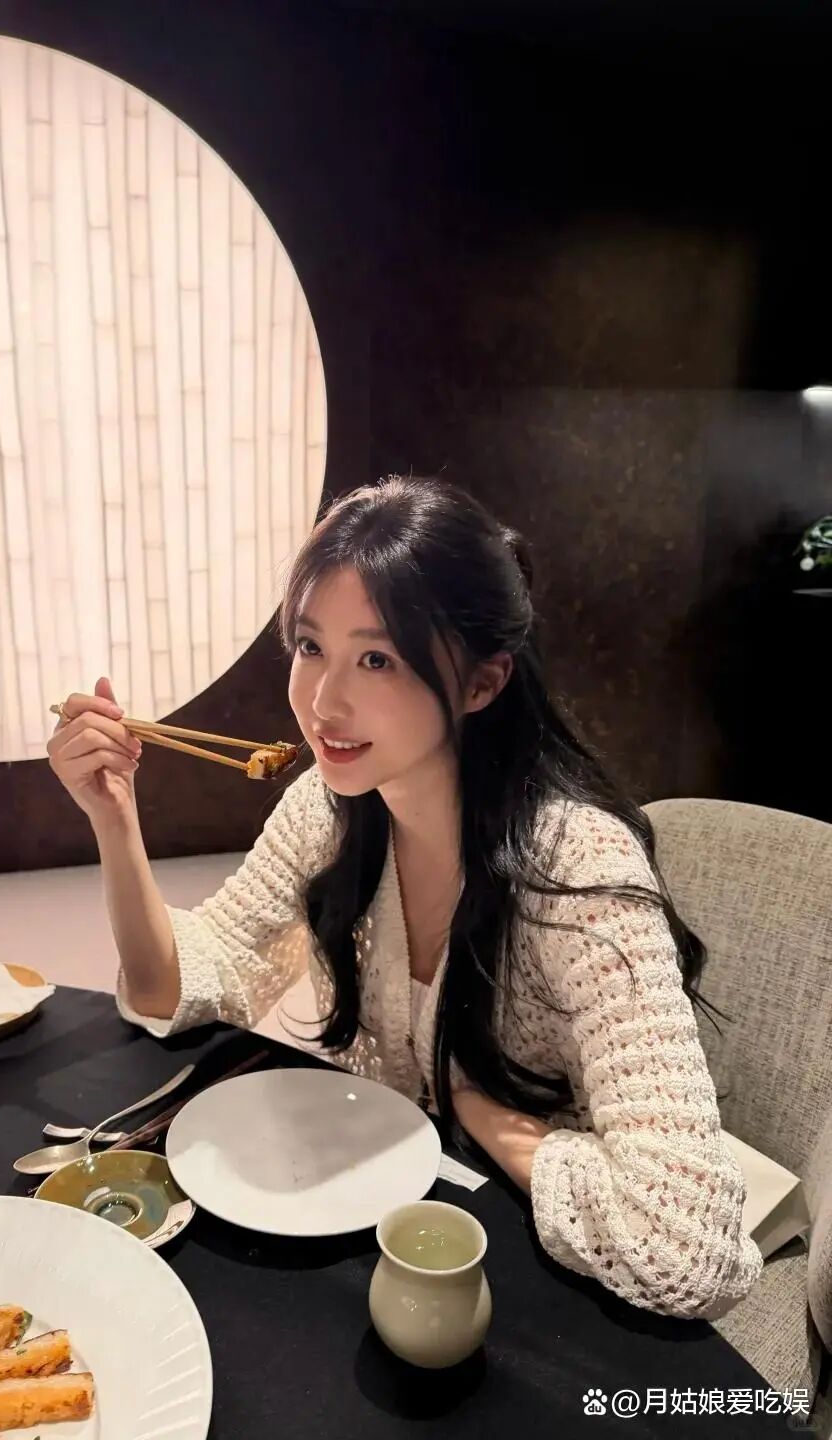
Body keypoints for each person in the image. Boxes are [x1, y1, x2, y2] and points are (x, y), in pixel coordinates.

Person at [47, 474, 761, 1320]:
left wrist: (472, 1105)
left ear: (481, 683)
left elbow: (687, 1251)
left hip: (540, 1276)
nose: (323, 702)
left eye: (377, 659)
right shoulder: (326, 810)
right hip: (384, 1220)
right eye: (310, 647)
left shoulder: (575, 872)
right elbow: (183, 982)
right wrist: (114, 820)